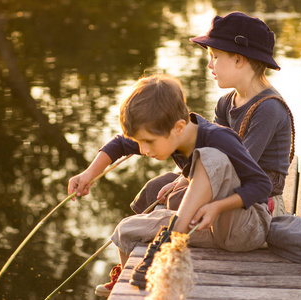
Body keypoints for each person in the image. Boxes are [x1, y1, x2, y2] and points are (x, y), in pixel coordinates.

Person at [69, 73, 273, 296]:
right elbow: (119, 144)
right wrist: (88, 174)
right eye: (140, 142)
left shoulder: (219, 138)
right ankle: (129, 287)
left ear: (178, 127)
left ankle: (169, 240)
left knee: (210, 157)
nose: (143, 150)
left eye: (148, 142)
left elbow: (262, 185)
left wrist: (217, 207)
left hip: (246, 226)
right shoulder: (167, 132)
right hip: (207, 228)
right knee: (126, 229)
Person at [131, 11, 294, 219]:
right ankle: (137, 236)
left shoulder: (269, 108)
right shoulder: (225, 103)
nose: (210, 64)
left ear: (238, 59)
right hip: (224, 178)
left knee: (177, 200)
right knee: (156, 187)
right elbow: (207, 150)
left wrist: (190, 186)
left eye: (215, 57)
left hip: (254, 196)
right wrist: (181, 179)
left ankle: (163, 236)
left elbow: (240, 166)